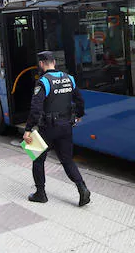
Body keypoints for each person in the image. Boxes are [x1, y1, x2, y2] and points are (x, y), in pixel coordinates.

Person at [25, 51, 90, 206]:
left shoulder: (43, 82)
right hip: (66, 126)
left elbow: (35, 108)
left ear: (41, 64)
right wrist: (79, 115)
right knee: (67, 160)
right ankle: (82, 189)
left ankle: (41, 194)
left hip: (46, 128)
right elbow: (80, 100)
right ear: (54, 62)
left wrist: (28, 129)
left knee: (37, 159)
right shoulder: (69, 79)